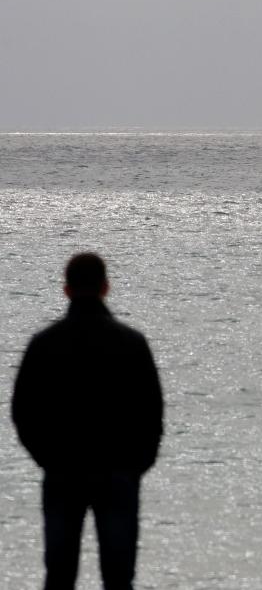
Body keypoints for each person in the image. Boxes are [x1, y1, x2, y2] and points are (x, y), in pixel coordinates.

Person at [12, 252, 164, 590]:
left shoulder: (45, 344)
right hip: (118, 472)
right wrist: (136, 465)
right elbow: (152, 413)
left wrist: (47, 458)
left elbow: (23, 411)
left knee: (60, 575)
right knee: (119, 576)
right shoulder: (132, 343)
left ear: (66, 290)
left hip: (63, 471)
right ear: (106, 287)